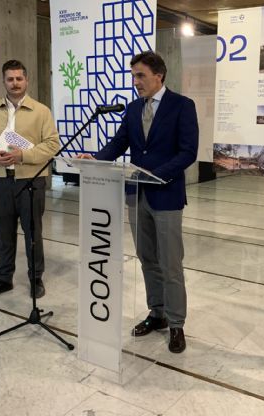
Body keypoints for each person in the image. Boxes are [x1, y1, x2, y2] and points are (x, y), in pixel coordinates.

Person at [78, 51, 198, 353]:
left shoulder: (182, 106)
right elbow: (120, 143)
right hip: (137, 195)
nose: (136, 82)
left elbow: (188, 152)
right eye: (133, 76)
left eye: (140, 75)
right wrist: (95, 159)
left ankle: (176, 323)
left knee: (170, 263)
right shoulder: (133, 109)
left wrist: (158, 175)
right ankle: (157, 313)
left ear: (159, 75)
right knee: (147, 259)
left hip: (166, 195)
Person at [0, 60, 60, 300]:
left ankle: (36, 278)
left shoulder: (41, 111)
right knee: (4, 233)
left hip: (31, 180)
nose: (15, 83)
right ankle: (4, 279)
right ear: (3, 81)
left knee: (33, 233)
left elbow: (52, 144)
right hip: (0, 181)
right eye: (10, 79)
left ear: (26, 80)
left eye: (19, 78)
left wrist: (23, 155)